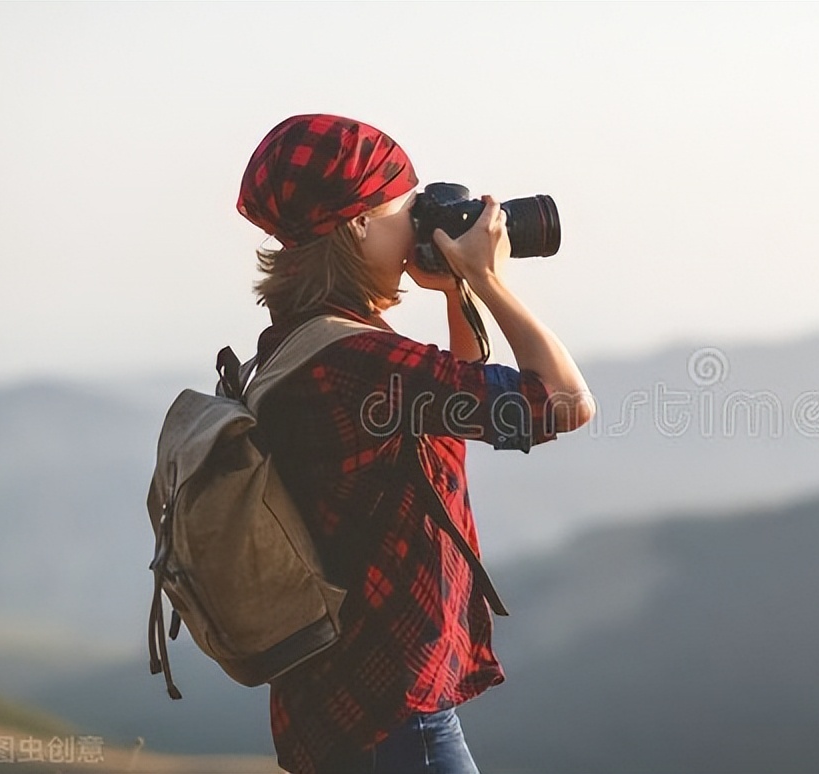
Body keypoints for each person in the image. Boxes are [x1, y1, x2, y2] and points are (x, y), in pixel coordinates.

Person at [235, 114, 594, 774]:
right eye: (407, 205)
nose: (419, 223)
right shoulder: (361, 361)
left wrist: (455, 290)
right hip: (395, 720)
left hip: (334, 707)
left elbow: (454, 410)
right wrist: (490, 280)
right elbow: (564, 403)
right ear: (359, 223)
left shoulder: (302, 342)